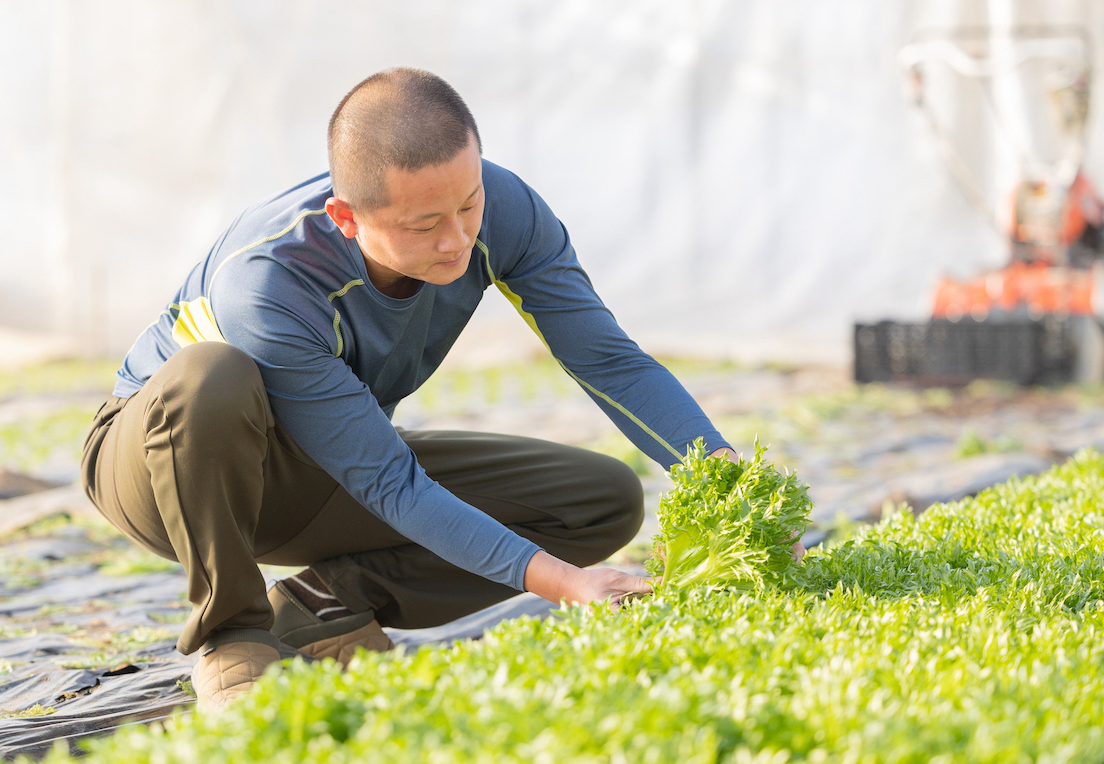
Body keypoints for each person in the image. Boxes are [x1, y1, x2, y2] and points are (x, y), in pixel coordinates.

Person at [81, 67, 783, 709]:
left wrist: (731, 482)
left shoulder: (504, 211)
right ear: (348, 219)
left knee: (599, 502)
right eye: (424, 224)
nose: (456, 240)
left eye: (468, 205)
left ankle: (325, 604)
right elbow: (389, 481)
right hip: (163, 468)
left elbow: (610, 361)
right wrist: (564, 585)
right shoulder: (268, 281)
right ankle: (232, 634)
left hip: (312, 466)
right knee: (213, 376)